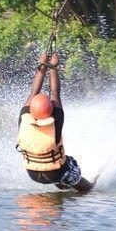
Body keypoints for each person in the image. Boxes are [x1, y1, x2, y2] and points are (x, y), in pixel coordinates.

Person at [15, 52, 94, 193]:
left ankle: (60, 184)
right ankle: (88, 188)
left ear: (31, 109)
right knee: (71, 165)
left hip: (32, 174)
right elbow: (55, 93)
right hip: (55, 172)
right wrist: (54, 67)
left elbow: (33, 92)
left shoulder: (24, 119)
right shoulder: (55, 125)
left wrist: (43, 66)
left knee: (58, 167)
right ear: (50, 110)